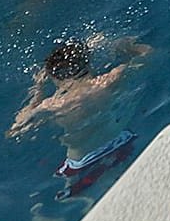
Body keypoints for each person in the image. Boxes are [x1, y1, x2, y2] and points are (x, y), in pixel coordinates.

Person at [10, 35, 150, 183]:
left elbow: (16, 129)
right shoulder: (107, 82)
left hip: (82, 163)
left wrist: (39, 88)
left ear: (54, 78)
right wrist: (124, 46)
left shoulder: (54, 104)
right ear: (87, 65)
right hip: (119, 143)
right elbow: (147, 53)